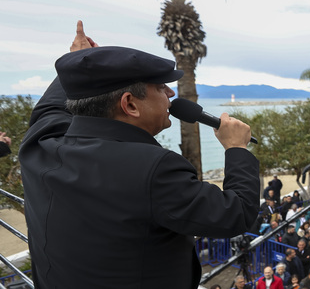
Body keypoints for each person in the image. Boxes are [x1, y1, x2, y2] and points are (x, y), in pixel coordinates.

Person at [19, 22, 260, 288]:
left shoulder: (40, 143)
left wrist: (82, 64)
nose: (171, 93)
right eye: (160, 87)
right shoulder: (154, 169)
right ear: (130, 104)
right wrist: (236, 149)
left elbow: (49, 110)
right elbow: (235, 213)